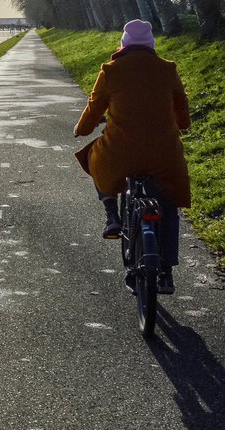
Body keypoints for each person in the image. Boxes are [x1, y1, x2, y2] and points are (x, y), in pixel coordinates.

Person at [73, 19, 191, 294]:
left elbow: (94, 108)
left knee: (93, 155)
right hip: (163, 155)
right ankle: (166, 272)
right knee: (168, 203)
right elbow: (182, 110)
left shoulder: (111, 71)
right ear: (151, 43)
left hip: (121, 153)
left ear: (124, 44)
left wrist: (81, 129)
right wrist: (180, 123)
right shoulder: (167, 69)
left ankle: (111, 214)